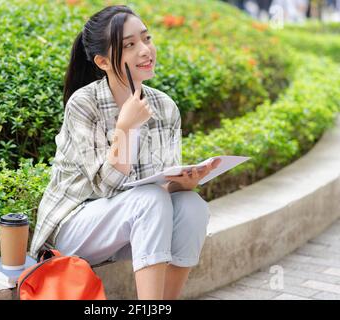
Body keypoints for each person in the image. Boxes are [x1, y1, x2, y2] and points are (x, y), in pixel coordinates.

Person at [29, 5, 220, 300]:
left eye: (147, 38)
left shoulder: (165, 107)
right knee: (149, 199)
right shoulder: (84, 104)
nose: (146, 50)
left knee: (192, 206)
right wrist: (126, 128)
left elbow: (162, 184)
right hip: (74, 226)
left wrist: (185, 182)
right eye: (130, 45)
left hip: (133, 223)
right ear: (103, 61)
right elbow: (105, 186)